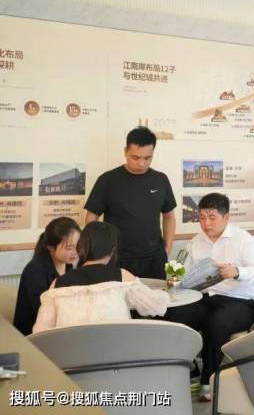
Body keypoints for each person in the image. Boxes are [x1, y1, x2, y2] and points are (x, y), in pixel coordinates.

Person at [164, 193, 254, 402]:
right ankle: (186, 369)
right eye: (202, 217)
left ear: (226, 217)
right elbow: (181, 269)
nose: (206, 223)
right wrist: (174, 277)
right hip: (207, 298)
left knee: (216, 323)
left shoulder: (243, 239)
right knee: (172, 315)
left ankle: (209, 380)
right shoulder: (196, 242)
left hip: (241, 301)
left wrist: (237, 272)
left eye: (212, 218)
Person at [32, 221, 169, 333]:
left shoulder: (58, 283)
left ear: (81, 247)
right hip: (116, 353)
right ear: (113, 250)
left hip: (70, 355)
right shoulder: (122, 277)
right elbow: (157, 305)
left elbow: (40, 331)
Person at [84, 126, 177, 279]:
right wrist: (97, 252)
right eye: (135, 157)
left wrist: (167, 248)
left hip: (154, 259)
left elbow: (169, 216)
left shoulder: (160, 179)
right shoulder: (108, 180)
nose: (141, 163)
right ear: (125, 152)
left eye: (147, 158)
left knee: (155, 294)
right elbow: (91, 218)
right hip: (117, 259)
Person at [13, 217, 80, 335]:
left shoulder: (69, 265)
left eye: (78, 246)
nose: (75, 252)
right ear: (51, 247)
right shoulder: (35, 270)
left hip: (58, 326)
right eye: (69, 248)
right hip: (32, 333)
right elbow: (42, 311)